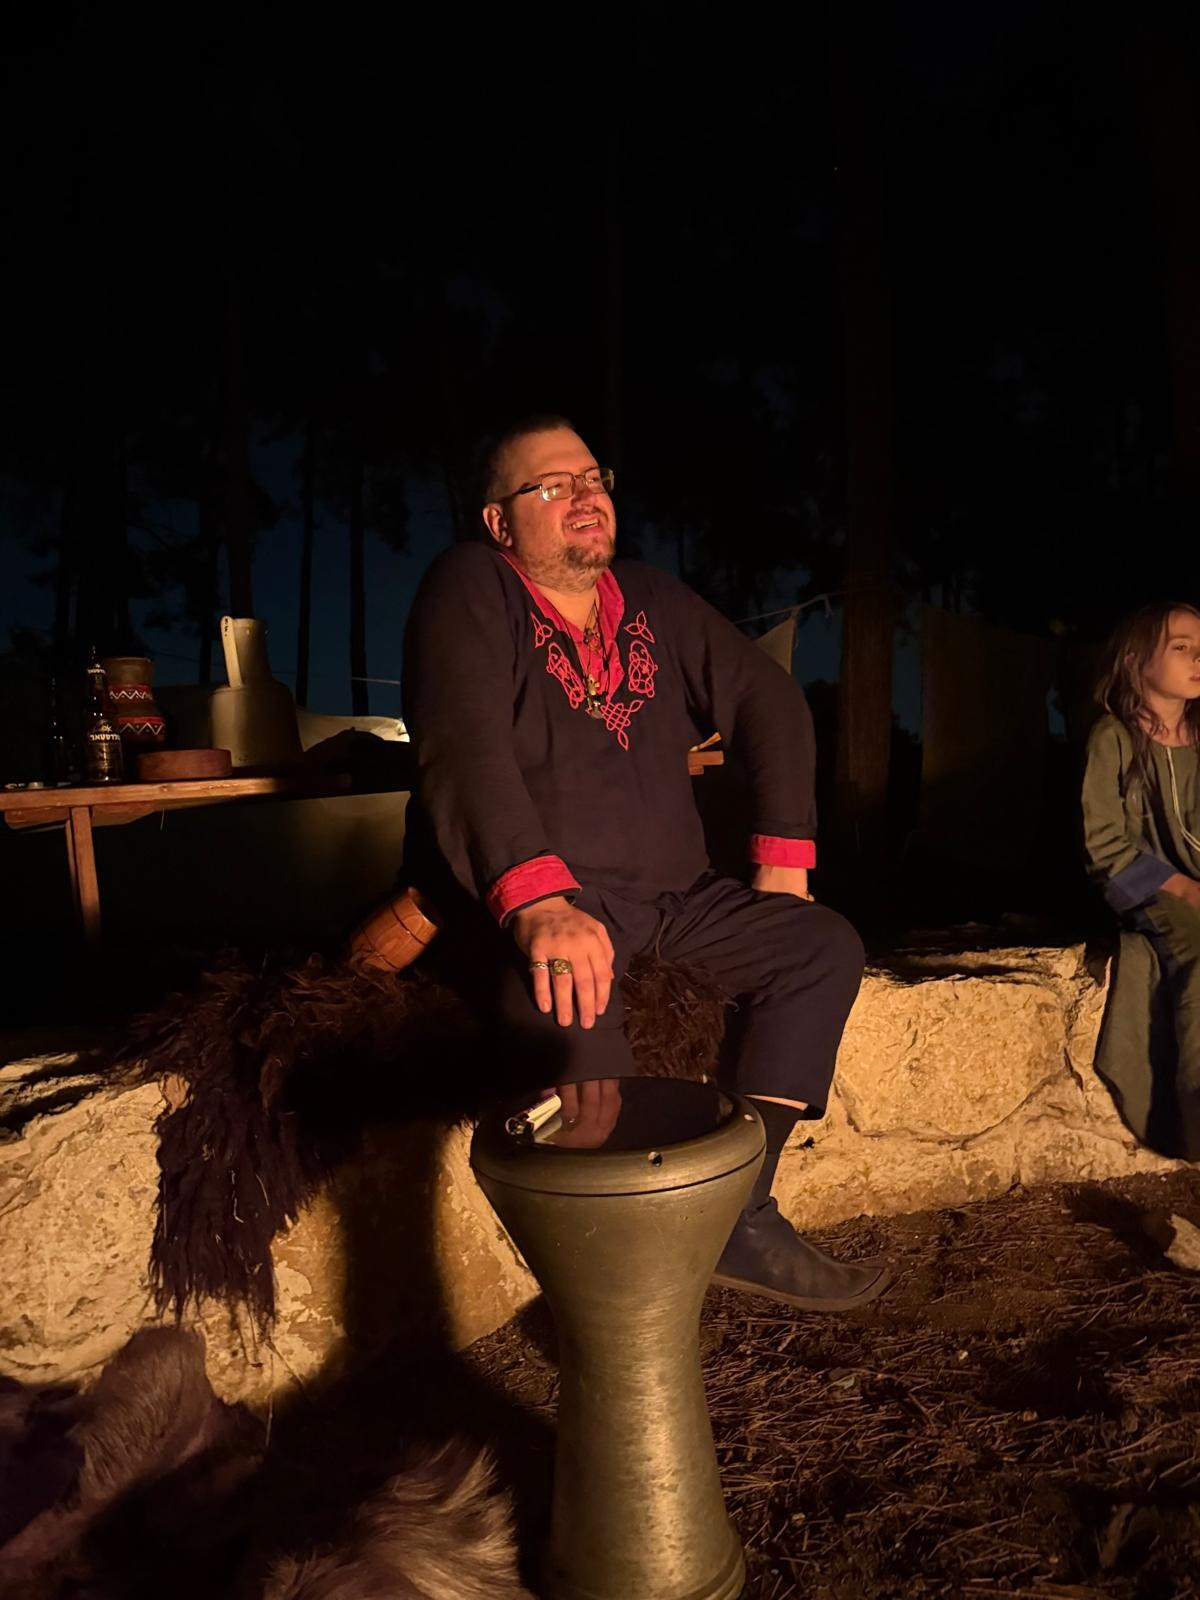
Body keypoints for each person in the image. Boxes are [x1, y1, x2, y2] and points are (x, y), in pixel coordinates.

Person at [402, 414, 890, 1310]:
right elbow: (462, 746)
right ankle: (620, 1292)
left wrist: (782, 861)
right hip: (550, 905)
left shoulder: (653, 602)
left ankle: (743, 1215)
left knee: (820, 946)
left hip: (676, 898)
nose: (584, 494)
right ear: (500, 523)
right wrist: (536, 901)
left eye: (593, 477)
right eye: (550, 485)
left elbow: (771, 701)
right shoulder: (471, 587)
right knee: (584, 1062)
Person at [1083, 601, 1200, 1156]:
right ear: (1135, 662)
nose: (1198, 658)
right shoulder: (1115, 740)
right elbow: (1103, 841)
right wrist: (1182, 888)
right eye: (1181, 646)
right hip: (1146, 888)